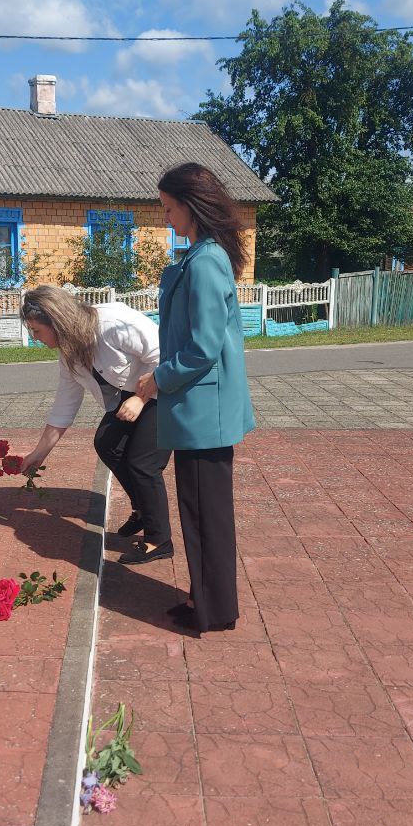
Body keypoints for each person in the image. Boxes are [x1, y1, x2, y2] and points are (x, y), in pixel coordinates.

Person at [136, 163, 255, 634]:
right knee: (203, 513)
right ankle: (207, 598)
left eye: (168, 208)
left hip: (205, 412)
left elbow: (204, 347)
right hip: (200, 412)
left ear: (190, 205)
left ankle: (215, 610)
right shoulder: (200, 255)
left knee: (206, 516)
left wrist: (158, 380)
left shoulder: (205, 261)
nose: (166, 218)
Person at [19, 285, 172, 565]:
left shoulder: (112, 324)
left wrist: (140, 399)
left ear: (56, 321)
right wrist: (38, 454)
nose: (35, 337)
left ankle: (158, 539)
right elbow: (65, 404)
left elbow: (165, 353)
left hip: (166, 389)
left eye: (37, 331)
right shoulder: (70, 353)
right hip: (134, 394)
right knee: (107, 442)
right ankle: (142, 508)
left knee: (143, 463)